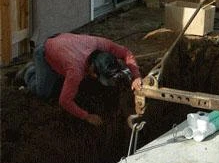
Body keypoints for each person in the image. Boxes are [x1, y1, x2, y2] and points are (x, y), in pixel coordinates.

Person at [15, 33, 143, 125]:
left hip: (64, 44)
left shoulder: (102, 45)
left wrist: (136, 76)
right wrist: (86, 116)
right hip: (44, 52)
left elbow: (126, 53)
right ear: (92, 71)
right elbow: (64, 101)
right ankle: (30, 71)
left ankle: (52, 69)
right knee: (43, 92)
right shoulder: (75, 71)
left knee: (64, 78)